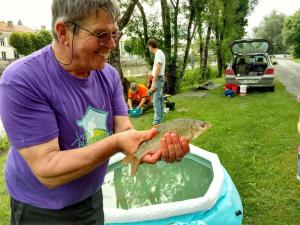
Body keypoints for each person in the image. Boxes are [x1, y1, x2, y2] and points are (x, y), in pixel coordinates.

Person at [0, 1, 190, 224]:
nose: (111, 44)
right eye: (101, 35)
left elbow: (124, 129)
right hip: (41, 210)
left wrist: (149, 145)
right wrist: (118, 143)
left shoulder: (108, 75)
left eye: (114, 34)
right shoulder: (22, 80)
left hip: (92, 199)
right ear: (63, 32)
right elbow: (47, 169)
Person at [147, 38, 166, 125]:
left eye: (148, 47)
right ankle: (160, 117)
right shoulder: (160, 53)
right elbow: (157, 69)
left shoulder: (158, 54)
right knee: (159, 98)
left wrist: (154, 83)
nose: (149, 49)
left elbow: (158, 68)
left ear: (150, 46)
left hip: (158, 79)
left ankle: (157, 120)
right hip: (159, 78)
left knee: (156, 100)